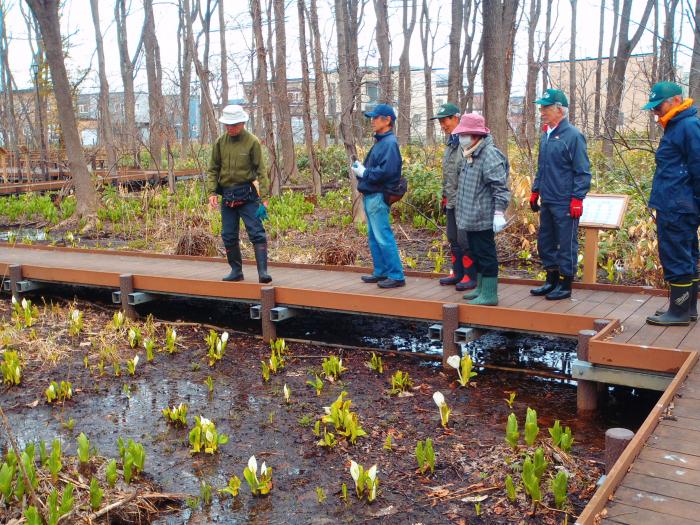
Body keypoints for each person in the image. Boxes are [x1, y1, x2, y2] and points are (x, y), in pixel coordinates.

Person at [642, 82, 700, 326]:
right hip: (676, 203)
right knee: (687, 255)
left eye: (659, 105)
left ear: (676, 100)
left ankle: (678, 313)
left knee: (676, 256)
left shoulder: (687, 126)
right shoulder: (675, 126)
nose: (655, 111)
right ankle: (688, 309)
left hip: (678, 205)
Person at [529, 89, 591, 300]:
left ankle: (565, 283)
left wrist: (577, 198)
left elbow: (582, 170)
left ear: (558, 109)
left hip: (565, 200)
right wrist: (535, 190)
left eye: (545, 107)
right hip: (548, 198)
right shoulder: (546, 135)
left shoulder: (573, 136)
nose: (541, 111)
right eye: (541, 107)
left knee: (566, 243)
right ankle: (551, 279)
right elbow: (541, 167)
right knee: (545, 241)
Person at [207, 104, 272, 283]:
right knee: (228, 234)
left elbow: (261, 170)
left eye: (234, 125)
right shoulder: (220, 142)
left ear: (242, 122)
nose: (230, 128)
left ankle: (263, 273)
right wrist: (212, 191)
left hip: (248, 195)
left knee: (256, 232)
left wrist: (265, 197)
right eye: (227, 125)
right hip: (227, 195)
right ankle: (236, 271)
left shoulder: (252, 142)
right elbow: (213, 169)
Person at [453, 113, 510, 306]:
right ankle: (480, 287)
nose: (462, 138)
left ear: (476, 135)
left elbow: (500, 187)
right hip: (470, 216)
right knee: (476, 251)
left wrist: (499, 212)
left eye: (465, 134)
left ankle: (490, 293)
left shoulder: (489, 154)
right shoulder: (470, 152)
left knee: (486, 253)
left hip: (484, 216)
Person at [351, 103, 405, 288]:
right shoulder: (382, 142)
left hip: (378, 195)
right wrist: (365, 171)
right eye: (372, 118)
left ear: (387, 120)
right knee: (374, 236)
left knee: (382, 235)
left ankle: (396, 276)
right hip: (372, 195)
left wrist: (364, 173)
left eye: (375, 118)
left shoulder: (389, 143)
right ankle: (381, 272)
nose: (372, 121)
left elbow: (387, 172)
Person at [429, 103, 477, 291]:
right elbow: (448, 172)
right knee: (453, 237)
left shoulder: (467, 140)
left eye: (445, 121)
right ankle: (457, 273)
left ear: (456, 118)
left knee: (466, 240)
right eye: (440, 122)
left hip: (465, 200)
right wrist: (444, 195)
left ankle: (470, 275)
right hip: (451, 199)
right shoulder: (451, 143)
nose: (442, 125)